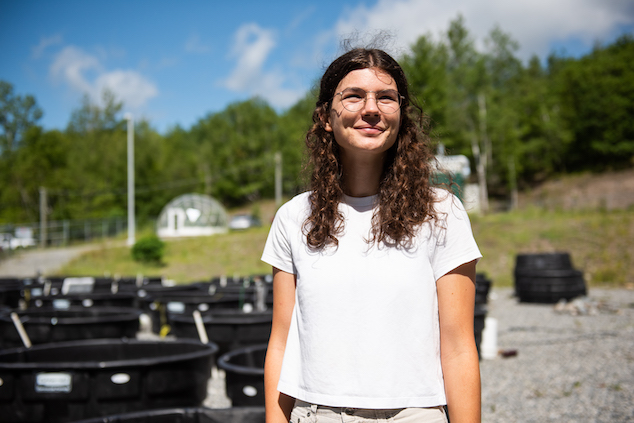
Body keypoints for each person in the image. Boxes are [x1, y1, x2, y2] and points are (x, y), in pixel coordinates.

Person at [261, 47, 482, 423]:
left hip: (416, 414)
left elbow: (459, 346)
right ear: (326, 117)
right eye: (354, 95)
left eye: (386, 97)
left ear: (401, 116)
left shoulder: (442, 211)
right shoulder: (293, 217)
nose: (371, 108)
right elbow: (280, 342)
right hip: (318, 414)